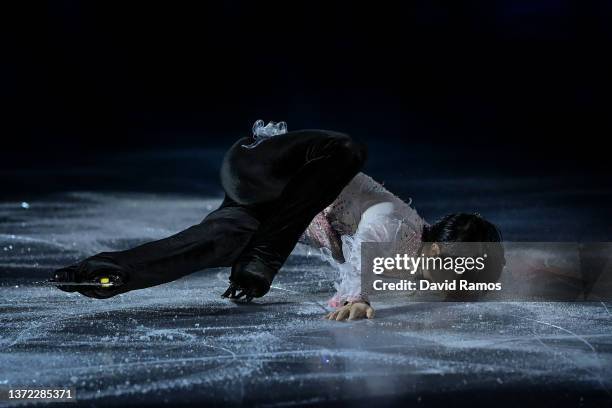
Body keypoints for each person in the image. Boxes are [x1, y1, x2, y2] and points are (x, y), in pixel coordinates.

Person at [51, 121, 505, 321]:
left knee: (209, 246)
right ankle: (266, 256)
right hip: (268, 167)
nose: (454, 285)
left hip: (259, 208)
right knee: (348, 151)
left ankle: (107, 273)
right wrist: (359, 295)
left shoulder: (404, 257)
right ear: (445, 251)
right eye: (463, 271)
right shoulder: (400, 227)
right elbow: (372, 238)